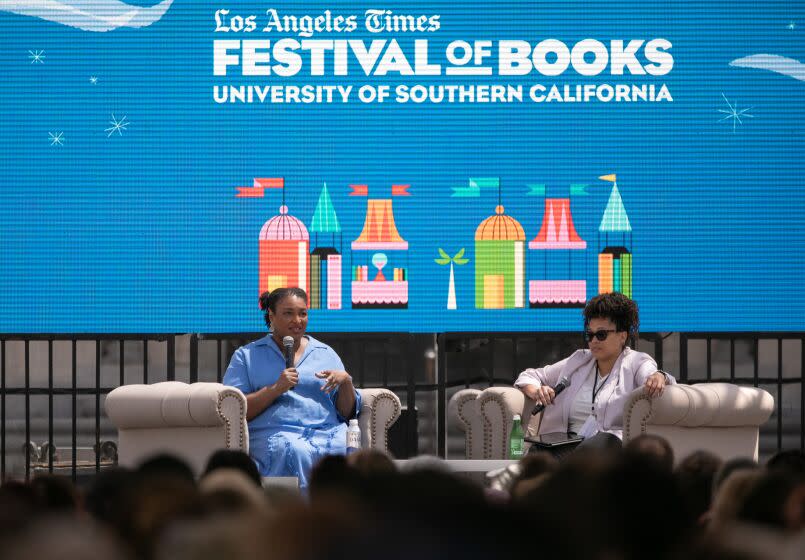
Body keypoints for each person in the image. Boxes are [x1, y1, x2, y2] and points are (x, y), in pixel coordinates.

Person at [223, 287, 360, 490]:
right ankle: (299, 516)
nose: (297, 320)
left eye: (302, 313)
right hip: (277, 431)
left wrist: (346, 382)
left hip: (327, 430)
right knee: (294, 449)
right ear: (271, 315)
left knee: (343, 448)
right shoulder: (247, 356)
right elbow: (235, 409)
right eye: (288, 313)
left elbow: (347, 412)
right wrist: (276, 388)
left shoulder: (325, 353)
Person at [514, 292, 674, 454]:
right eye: (590, 335)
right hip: (563, 444)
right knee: (538, 454)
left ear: (622, 336)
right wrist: (537, 392)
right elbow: (529, 375)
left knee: (603, 441)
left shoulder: (636, 362)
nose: (594, 340)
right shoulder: (578, 360)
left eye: (601, 334)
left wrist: (659, 376)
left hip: (605, 448)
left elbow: (654, 376)